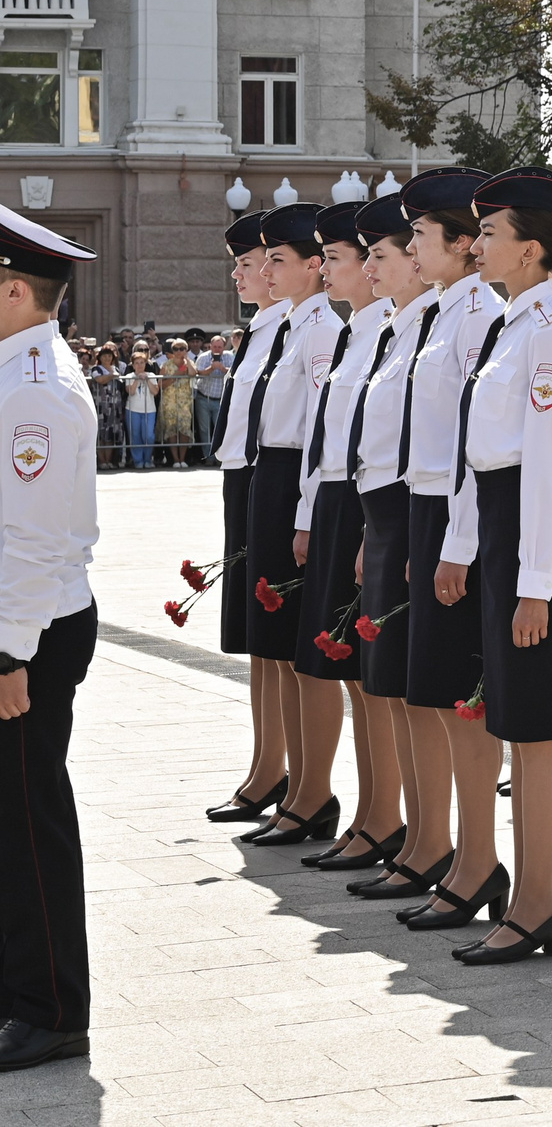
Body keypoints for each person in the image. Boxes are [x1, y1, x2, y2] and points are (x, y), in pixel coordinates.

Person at [437, 168, 552, 962]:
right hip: (505, 532)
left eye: (494, 235)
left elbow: (548, 466)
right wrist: (462, 547)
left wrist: (535, 584)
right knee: (511, 721)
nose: (479, 246)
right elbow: (482, 458)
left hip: (538, 539)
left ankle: (537, 903)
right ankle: (524, 899)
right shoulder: (512, 325)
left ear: (533, 249)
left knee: (535, 733)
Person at [393, 166, 510, 934]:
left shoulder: (478, 317)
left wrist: (455, 543)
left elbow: (473, 443)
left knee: (468, 706)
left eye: (420, 236)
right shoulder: (439, 314)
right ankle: (459, 853)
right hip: (427, 509)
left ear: (464, 246)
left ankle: (478, 859)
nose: (408, 247)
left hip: (457, 515)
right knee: (437, 696)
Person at [0, 206, 99, 1072]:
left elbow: (27, 535)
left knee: (29, 818)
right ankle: (19, 990)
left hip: (30, 627)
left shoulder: (33, 383)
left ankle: (52, 1006)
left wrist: (8, 653)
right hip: (19, 619)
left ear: (14, 288)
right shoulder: (15, 367)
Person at [342, 194, 448, 905]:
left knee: (422, 686)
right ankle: (410, 831)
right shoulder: (397, 329)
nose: (383, 263)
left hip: (424, 508)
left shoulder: (448, 322)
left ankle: (431, 836)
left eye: (386, 252)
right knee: (392, 681)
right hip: (386, 507)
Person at [289, 202, 398, 871]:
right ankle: (368, 812)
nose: (326, 267)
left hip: (365, 500)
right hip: (336, 498)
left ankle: (383, 815)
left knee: (367, 673)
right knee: (349, 670)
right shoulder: (357, 331)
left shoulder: (384, 329)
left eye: (338, 258)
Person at [240, 203, 350, 848]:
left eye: (278, 258)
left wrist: (304, 512)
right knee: (275, 640)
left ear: (312, 267)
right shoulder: (285, 329)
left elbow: (315, 432)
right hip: (273, 478)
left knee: (300, 643)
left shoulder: (317, 332)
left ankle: (311, 792)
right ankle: (286, 783)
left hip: (300, 484)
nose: (264, 269)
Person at [206, 212, 290, 829]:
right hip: (247, 481)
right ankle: (265, 764)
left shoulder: (296, 329)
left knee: (274, 638)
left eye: (251, 262)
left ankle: (279, 772)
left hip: (277, 483)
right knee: (256, 641)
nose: (242, 273)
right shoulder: (262, 329)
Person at [158, 342, 196, 468]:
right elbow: (160, 385)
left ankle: (183, 458)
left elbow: (192, 373)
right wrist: (175, 376)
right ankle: (176, 459)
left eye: (182, 348)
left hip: (185, 403)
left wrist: (187, 361)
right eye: (176, 349)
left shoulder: (189, 364)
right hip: (170, 403)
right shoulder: (166, 365)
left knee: (185, 429)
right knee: (171, 430)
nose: (179, 351)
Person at [121, 347, 157, 469]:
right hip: (133, 409)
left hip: (149, 410)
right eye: (137, 363)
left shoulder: (151, 375)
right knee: (135, 435)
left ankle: (148, 459)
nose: (140, 365)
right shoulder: (129, 375)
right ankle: (138, 461)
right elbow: (130, 391)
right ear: (133, 365)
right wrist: (137, 379)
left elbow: (155, 391)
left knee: (148, 436)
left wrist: (147, 380)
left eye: (142, 362)